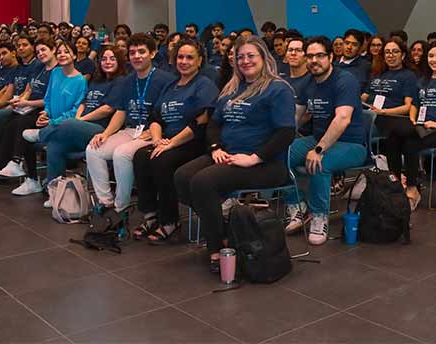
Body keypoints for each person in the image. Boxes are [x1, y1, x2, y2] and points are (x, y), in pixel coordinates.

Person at [175, 36, 294, 272]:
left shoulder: (278, 89)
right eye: (240, 57)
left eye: (251, 56)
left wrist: (254, 158)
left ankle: (217, 248)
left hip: (265, 164)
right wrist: (215, 148)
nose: (245, 61)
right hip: (227, 155)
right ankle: (226, 231)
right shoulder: (231, 89)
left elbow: (286, 133)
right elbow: (214, 125)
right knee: (181, 176)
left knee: (203, 182)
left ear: (264, 58)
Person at [132, 37, 219, 242]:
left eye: (190, 57)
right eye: (180, 57)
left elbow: (201, 121)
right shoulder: (170, 85)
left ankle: (169, 220)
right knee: (140, 157)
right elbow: (155, 117)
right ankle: (150, 215)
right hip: (166, 140)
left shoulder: (204, 85)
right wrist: (156, 140)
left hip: (193, 143)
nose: (184, 61)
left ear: (199, 61)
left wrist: (171, 143)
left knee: (162, 161)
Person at [285, 36, 367, 244]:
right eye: (310, 56)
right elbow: (296, 116)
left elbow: (343, 118)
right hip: (318, 139)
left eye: (320, 55)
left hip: (353, 145)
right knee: (280, 153)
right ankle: (297, 205)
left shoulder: (344, 80)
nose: (314, 60)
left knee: (318, 163)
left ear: (331, 56)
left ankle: (319, 216)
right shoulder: (307, 82)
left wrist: (319, 149)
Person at [86, 33, 175, 214]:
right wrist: (106, 133)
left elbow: (169, 113)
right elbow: (121, 111)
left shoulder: (166, 79)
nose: (136, 56)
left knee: (121, 154)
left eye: (141, 52)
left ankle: (122, 206)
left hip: (154, 132)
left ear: (153, 53)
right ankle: (105, 201)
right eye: (132, 52)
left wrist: (155, 132)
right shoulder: (127, 80)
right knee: (93, 150)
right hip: (130, 130)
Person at [379, 41, 436, 209]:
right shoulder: (423, 80)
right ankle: (397, 183)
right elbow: (414, 104)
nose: (434, 59)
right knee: (392, 138)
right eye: (431, 56)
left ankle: (413, 189)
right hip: (423, 127)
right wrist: (413, 120)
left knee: (410, 142)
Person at [38, 46, 128, 196]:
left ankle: (41, 134)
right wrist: (79, 118)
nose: (107, 62)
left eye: (112, 59)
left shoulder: (121, 81)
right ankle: (55, 192)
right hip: (82, 127)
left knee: (69, 123)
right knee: (55, 145)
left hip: (102, 130)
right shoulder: (97, 80)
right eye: (104, 59)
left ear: (119, 62)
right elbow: (84, 103)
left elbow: (108, 109)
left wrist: (81, 120)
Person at [7, 39, 87, 196]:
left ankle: (54, 188)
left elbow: (75, 111)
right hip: (50, 120)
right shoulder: (56, 73)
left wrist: (53, 121)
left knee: (36, 137)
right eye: (60, 52)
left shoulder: (80, 81)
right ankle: (32, 180)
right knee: (25, 136)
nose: (62, 55)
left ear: (74, 56)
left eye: (66, 52)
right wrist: (46, 113)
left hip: (64, 126)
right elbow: (48, 99)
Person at [0, 39, 56, 187]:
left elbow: (50, 100)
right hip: (29, 107)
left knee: (19, 125)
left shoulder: (57, 72)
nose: (40, 54)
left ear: (53, 49)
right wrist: (19, 101)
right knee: (6, 127)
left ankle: (13, 164)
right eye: (38, 51)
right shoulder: (40, 68)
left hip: (43, 111)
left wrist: (26, 103)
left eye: (43, 50)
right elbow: (29, 89)